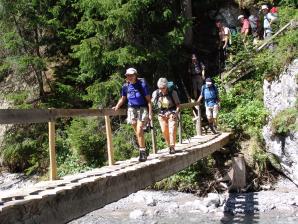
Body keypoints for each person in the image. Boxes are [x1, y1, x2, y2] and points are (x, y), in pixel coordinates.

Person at [113, 68, 152, 162]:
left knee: (139, 130)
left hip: (142, 108)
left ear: (135, 75)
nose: (129, 77)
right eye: (127, 75)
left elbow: (149, 101)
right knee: (137, 132)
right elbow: (123, 99)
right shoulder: (125, 86)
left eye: (131, 75)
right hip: (131, 109)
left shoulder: (142, 84)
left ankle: (142, 152)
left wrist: (150, 114)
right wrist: (117, 106)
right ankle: (143, 149)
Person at [152, 78, 180, 154]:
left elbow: (178, 105)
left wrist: (176, 114)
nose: (162, 89)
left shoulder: (173, 93)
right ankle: (169, 146)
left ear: (167, 86)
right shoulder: (156, 93)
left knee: (172, 130)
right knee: (164, 131)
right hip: (161, 114)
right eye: (160, 88)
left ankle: (172, 147)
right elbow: (153, 105)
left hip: (172, 113)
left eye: (163, 88)